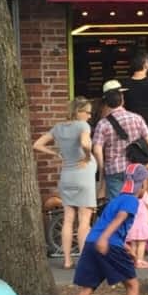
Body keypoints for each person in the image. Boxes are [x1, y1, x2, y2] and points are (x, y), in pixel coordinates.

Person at [53, 161, 148, 295]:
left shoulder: (115, 200)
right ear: (141, 184)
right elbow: (120, 218)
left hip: (92, 244)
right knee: (133, 285)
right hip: (106, 244)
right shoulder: (131, 200)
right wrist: (105, 238)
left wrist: (131, 253)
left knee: (86, 289)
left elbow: (109, 228)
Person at [34, 98, 97, 270]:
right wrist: (87, 156)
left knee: (68, 219)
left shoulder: (58, 128)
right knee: (84, 220)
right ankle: (84, 260)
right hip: (83, 176)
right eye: (87, 112)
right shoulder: (83, 126)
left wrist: (56, 154)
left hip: (67, 176)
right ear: (78, 111)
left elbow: (37, 144)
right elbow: (85, 143)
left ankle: (67, 260)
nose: (89, 116)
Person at [90, 83, 148, 199]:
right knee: (134, 202)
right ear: (121, 99)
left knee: (117, 203)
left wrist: (102, 169)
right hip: (135, 166)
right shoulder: (136, 118)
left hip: (114, 168)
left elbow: (97, 150)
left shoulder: (103, 123)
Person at [125, 141, 148, 270]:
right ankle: (140, 261)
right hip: (142, 224)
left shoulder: (130, 196)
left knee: (133, 243)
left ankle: (133, 261)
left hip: (132, 224)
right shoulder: (143, 195)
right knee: (142, 243)